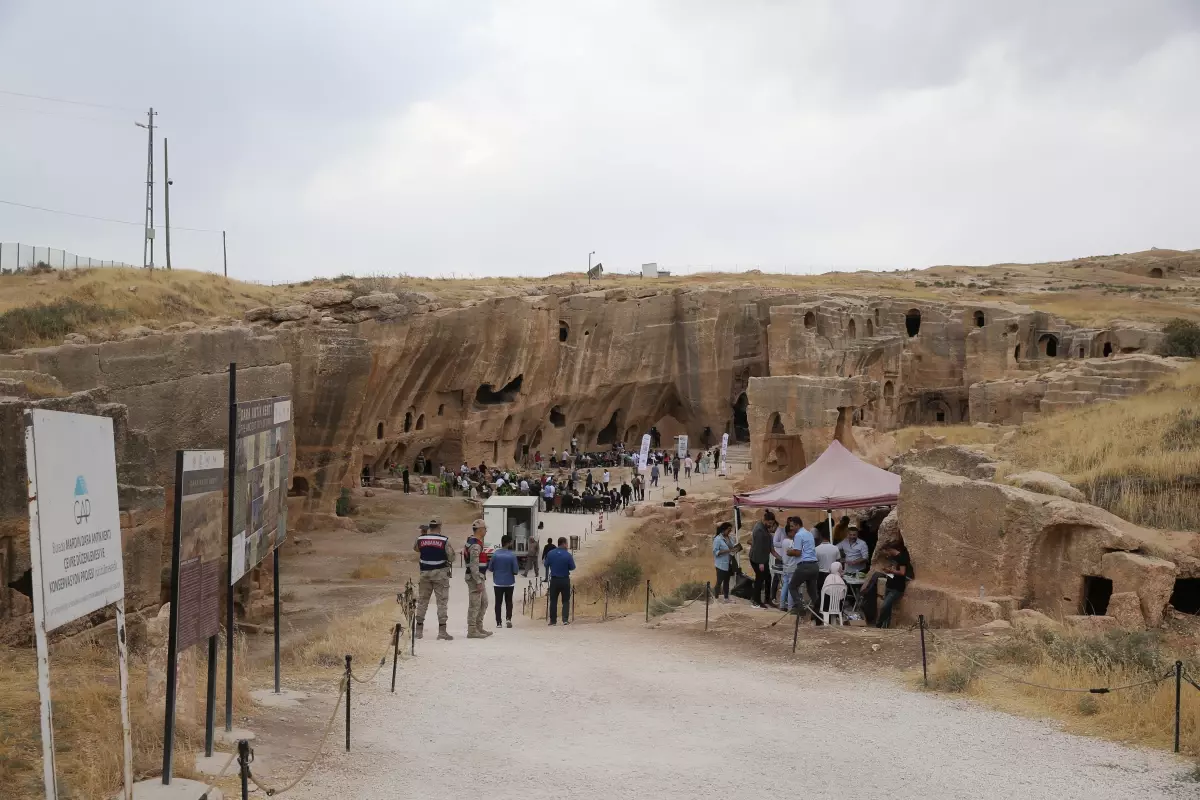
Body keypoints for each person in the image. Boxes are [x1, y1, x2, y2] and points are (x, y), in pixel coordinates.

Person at [413, 519, 454, 640]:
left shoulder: (420, 539)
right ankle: (442, 631)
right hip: (440, 574)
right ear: (440, 526)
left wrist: (423, 535)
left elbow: (416, 549)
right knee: (441, 602)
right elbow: (451, 557)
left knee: (422, 601)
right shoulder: (444, 540)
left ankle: (419, 631)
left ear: (429, 527)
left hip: (424, 573)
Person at [786, 516, 821, 624]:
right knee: (812, 592)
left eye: (792, 526)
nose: (791, 528)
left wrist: (789, 552)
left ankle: (800, 608)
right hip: (814, 566)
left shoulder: (798, 535)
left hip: (804, 565)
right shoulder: (809, 533)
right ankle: (819, 614)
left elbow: (798, 552)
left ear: (797, 525)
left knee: (792, 586)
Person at [463, 519, 492, 638]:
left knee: (484, 602)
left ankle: (478, 627)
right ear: (480, 530)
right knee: (475, 604)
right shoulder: (475, 545)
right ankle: (472, 630)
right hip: (475, 578)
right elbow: (474, 565)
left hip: (479, 577)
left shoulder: (476, 542)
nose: (486, 531)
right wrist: (478, 581)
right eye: (485, 529)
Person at [876, 542, 912, 629]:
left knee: (884, 606)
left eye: (887, 552)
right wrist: (888, 570)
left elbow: (902, 572)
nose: (887, 555)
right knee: (887, 608)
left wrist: (891, 571)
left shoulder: (902, 558)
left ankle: (878, 624)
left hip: (897, 587)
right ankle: (885, 627)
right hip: (889, 585)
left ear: (890, 550)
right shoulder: (893, 558)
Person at [544, 537, 576, 625]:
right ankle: (565, 619)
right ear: (564, 544)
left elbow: (546, 564)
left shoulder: (550, 554)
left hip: (554, 580)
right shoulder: (568, 555)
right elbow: (572, 567)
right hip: (565, 579)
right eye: (567, 543)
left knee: (553, 600)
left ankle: (553, 621)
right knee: (565, 600)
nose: (567, 545)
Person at [490, 534, 519, 628]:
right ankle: (508, 619)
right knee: (509, 601)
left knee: (498, 602)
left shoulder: (495, 554)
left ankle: (498, 622)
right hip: (509, 582)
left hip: (497, 582)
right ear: (509, 543)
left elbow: (490, 568)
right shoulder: (512, 555)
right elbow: (515, 571)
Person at [748, 512, 776, 608]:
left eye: (772, 523)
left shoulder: (764, 527)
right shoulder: (760, 530)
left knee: (768, 577)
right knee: (760, 579)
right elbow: (759, 548)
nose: (770, 525)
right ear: (765, 520)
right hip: (757, 559)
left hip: (763, 558)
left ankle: (767, 599)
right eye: (769, 523)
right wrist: (760, 563)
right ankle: (756, 600)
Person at [713, 522, 734, 602]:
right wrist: (727, 551)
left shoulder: (730, 538)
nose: (730, 531)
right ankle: (716, 598)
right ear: (724, 529)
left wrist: (735, 549)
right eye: (728, 529)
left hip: (729, 563)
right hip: (720, 565)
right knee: (719, 582)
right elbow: (715, 552)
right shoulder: (718, 539)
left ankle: (726, 598)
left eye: (730, 529)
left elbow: (732, 547)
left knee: (727, 581)